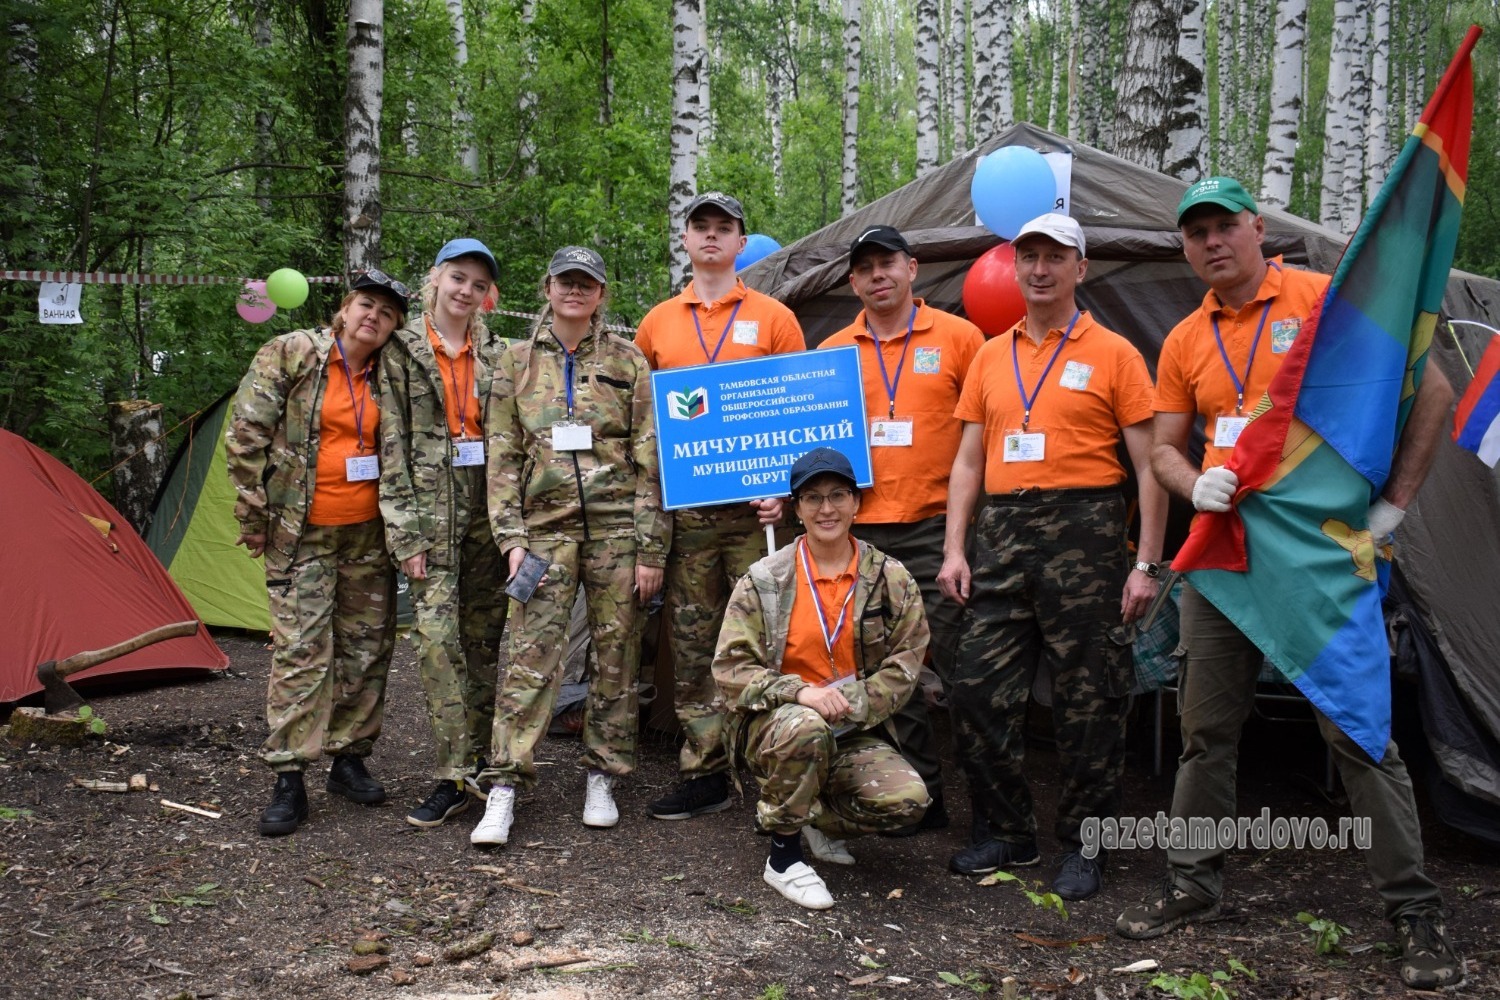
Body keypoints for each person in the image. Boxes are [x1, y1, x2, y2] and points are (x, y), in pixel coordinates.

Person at [1119, 177, 1462, 991]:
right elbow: (1165, 449)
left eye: (1224, 226)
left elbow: (1434, 392)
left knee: (1358, 733)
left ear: (1256, 227)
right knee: (1205, 729)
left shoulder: (1323, 300)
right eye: (1195, 232)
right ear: (1184, 245)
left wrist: (1393, 511)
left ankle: (1414, 911)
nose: (1212, 242)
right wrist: (1188, 479)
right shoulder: (1182, 340)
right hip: (1226, 559)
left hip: (1319, 557)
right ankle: (1194, 885)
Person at [938, 213, 1167, 901]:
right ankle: (1006, 830)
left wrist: (1147, 562)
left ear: (1080, 268)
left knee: (1089, 699)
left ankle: (1086, 845)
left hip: (1087, 534)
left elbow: (1150, 466)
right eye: (1028, 257)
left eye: (1054, 258)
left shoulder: (1116, 353)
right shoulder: (988, 354)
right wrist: (955, 546)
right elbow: (968, 463)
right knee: (976, 689)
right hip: (1002, 536)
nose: (1039, 269)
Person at [470, 246, 667, 846]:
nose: (576, 292)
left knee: (616, 657)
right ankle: (504, 785)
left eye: (587, 284)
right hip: (543, 531)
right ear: (548, 288)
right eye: (565, 282)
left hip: (616, 533)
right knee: (530, 656)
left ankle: (602, 774)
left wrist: (651, 548)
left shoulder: (629, 361)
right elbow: (501, 455)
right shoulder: (516, 362)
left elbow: (649, 458)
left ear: (601, 294)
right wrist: (509, 538)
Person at [634, 192, 807, 822]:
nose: (712, 237)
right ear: (685, 240)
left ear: (741, 243)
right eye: (700, 227)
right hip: (688, 517)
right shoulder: (656, 324)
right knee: (693, 640)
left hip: (754, 517)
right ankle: (703, 767)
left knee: (766, 639)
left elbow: (797, 412)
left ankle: (770, 761)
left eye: (724, 228)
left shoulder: (774, 318)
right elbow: (645, 425)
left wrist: (785, 487)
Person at [227, 270, 410, 837]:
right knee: (301, 652)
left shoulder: (393, 375)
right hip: (298, 531)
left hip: (367, 536)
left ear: (395, 326)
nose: (372, 316)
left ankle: (349, 758)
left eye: (386, 311)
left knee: (365, 648)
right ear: (344, 307)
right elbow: (246, 434)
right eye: (365, 304)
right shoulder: (293, 353)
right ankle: (289, 775)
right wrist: (253, 516)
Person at [817, 225, 986, 836]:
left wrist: (961, 540)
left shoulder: (962, 338)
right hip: (862, 535)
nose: (877, 275)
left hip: (939, 530)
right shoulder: (834, 352)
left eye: (888, 263)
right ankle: (923, 796)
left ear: (912, 268)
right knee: (890, 674)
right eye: (864, 268)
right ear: (853, 281)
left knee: (967, 668)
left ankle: (993, 806)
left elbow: (985, 434)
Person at [713, 447, 931, 910]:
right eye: (812, 498)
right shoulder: (765, 579)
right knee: (806, 727)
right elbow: (731, 669)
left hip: (851, 724)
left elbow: (906, 663)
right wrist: (802, 693)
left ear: (857, 503)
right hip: (777, 725)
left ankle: (807, 814)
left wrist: (848, 702)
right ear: (797, 509)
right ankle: (784, 858)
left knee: (907, 802)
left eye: (837, 496)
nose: (826, 509)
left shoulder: (890, 579)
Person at [379, 238, 512, 829]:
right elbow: (388, 444)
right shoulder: (399, 351)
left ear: (488, 297)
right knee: (436, 642)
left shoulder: (500, 354)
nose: (466, 291)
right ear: (434, 279)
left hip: (488, 513)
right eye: (457, 279)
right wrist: (405, 532)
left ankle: (480, 761)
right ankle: (451, 773)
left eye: (478, 285)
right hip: (430, 520)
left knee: (483, 641)